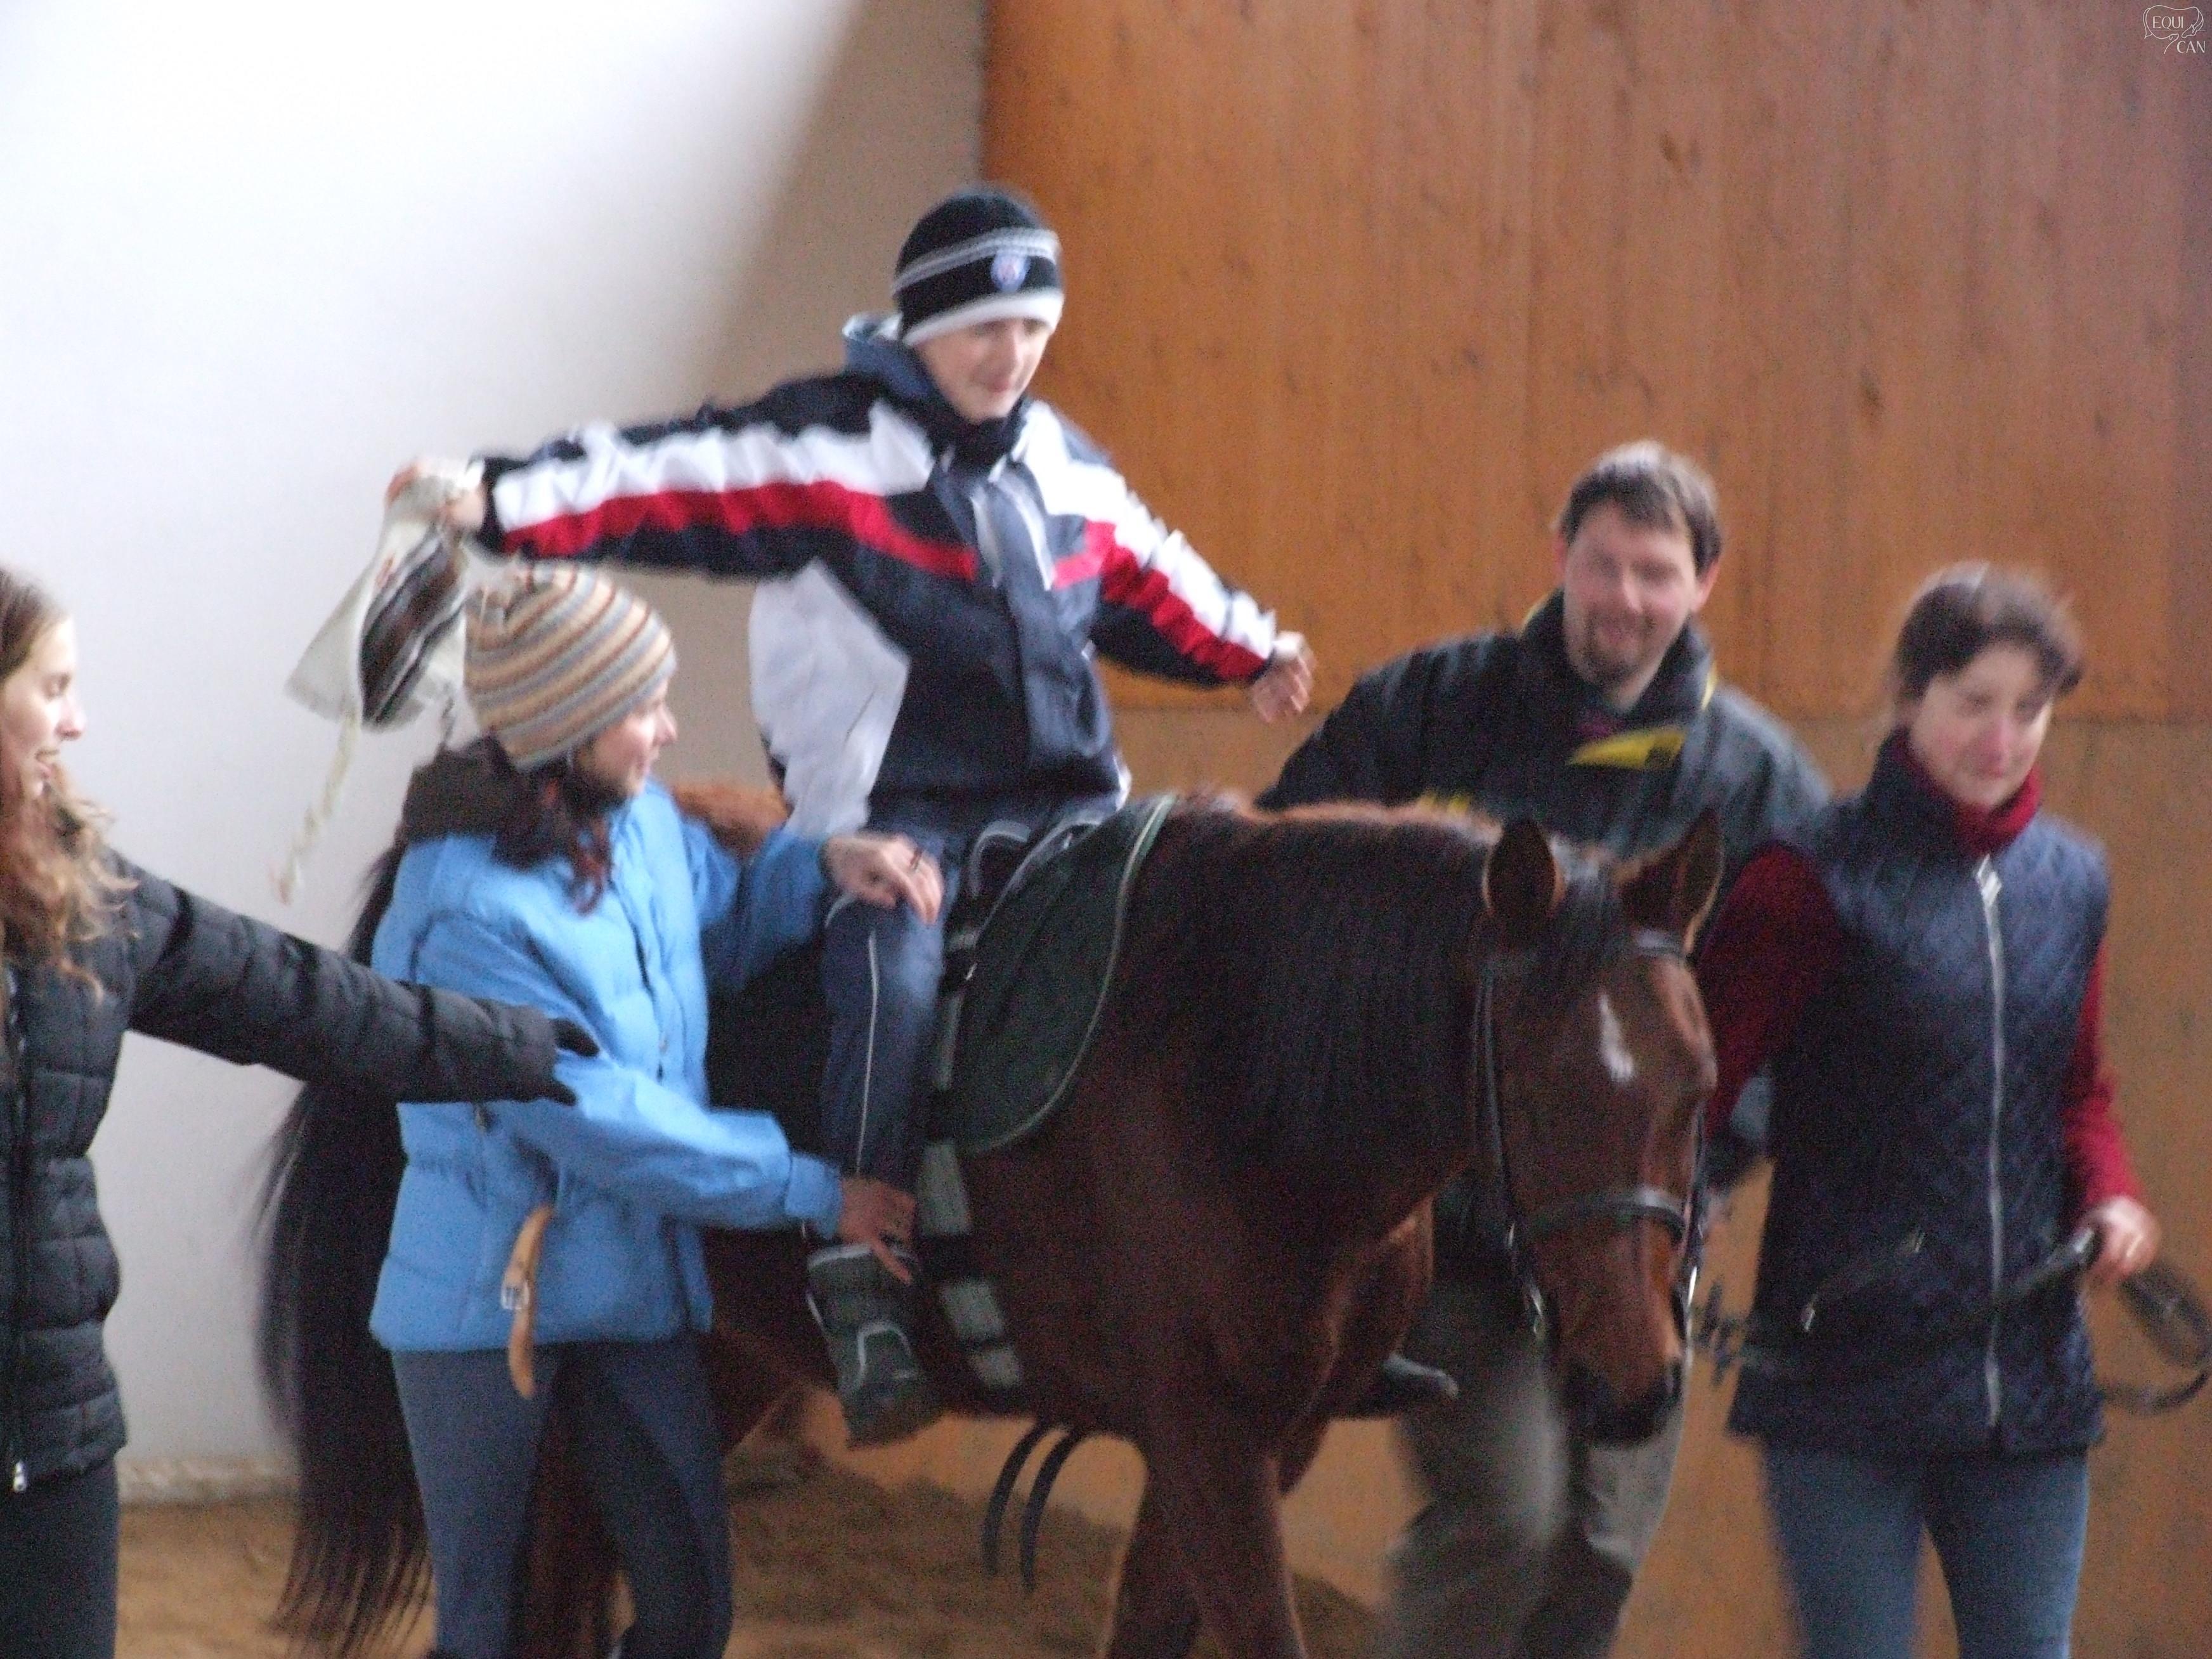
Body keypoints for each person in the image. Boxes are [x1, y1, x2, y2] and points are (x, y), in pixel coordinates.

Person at [391, 183, 1315, 1441]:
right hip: (894, 816)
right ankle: (860, 1274)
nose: (1011, 355)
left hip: (1068, 811)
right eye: (983, 329)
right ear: (922, 327)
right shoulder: (825, 450)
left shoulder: (1064, 465)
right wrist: (498, 498)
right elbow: (669, 474)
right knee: (894, 962)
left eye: (1033, 329)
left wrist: (1252, 649)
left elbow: (1153, 573)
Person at [1259, 441, 1826, 1658]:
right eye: (1603, 564)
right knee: (1506, 1523)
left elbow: (1801, 1013)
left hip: (1629, 1237)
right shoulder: (1426, 712)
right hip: (1456, 1232)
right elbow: (1285, 885)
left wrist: (1700, 1162)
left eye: (1656, 574)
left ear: (1703, 584)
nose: (1625, 597)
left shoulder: (1760, 782)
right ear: (1560, 556)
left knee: (1600, 1558)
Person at [0, 567, 593, 1659]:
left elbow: (295, 999)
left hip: (54, 1436)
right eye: (54, 688)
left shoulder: (88, 897)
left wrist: (508, 1046)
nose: (77, 722)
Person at [363, 564, 934, 1659]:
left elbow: (724, 918)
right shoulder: (459, 912)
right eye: (644, 708)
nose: (670, 731)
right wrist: (815, 1191)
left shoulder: (643, 828)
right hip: (481, 1311)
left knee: (690, 1611)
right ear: (567, 723)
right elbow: (607, 1123)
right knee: (485, 1628)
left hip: (631, 1290)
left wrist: (826, 865)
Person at [1691, 565, 2159, 1659]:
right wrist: (1670, 1232)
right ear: (1910, 698)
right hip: (1845, 1381)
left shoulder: (2072, 881)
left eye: (2029, 710)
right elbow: (1694, 1085)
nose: (2002, 739)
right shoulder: (1802, 880)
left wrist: (2113, 1195)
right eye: (1974, 703)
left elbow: (2077, 1091)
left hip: (2029, 1384)